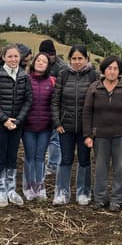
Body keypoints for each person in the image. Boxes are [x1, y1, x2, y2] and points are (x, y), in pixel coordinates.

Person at [83, 56, 122, 211]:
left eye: (115, 68)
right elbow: (87, 112)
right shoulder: (95, 88)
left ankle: (117, 199)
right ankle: (100, 198)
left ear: (119, 71)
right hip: (100, 135)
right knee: (100, 167)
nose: (112, 71)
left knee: (120, 167)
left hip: (121, 135)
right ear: (103, 70)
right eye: (109, 68)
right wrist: (87, 135)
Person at [0, 44, 33, 207]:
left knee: (12, 157)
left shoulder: (24, 76)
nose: (13, 59)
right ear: (4, 57)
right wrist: (4, 119)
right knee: (0, 156)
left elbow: (28, 100)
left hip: (16, 125)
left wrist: (18, 121)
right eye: (10, 56)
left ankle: (11, 189)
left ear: (20, 58)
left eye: (16, 56)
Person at [51, 44, 98, 205]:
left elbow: (97, 102)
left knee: (84, 159)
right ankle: (62, 192)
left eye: (80, 58)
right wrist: (57, 122)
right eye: (74, 58)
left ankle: (83, 192)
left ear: (86, 59)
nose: (77, 62)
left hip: (86, 128)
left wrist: (92, 128)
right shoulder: (63, 74)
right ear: (70, 59)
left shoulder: (93, 75)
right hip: (66, 126)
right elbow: (55, 100)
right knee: (66, 159)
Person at [23, 52, 55, 201]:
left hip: (45, 127)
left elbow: (54, 104)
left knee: (40, 157)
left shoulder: (52, 82)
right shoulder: (25, 80)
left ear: (48, 65)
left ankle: (39, 187)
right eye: (38, 60)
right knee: (30, 157)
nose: (41, 63)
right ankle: (29, 187)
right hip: (28, 126)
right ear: (34, 62)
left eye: (44, 61)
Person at [39, 39, 65, 176]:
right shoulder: (40, 64)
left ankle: (54, 165)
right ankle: (44, 163)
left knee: (55, 138)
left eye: (49, 55)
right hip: (41, 106)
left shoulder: (62, 67)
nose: (46, 58)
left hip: (56, 107)